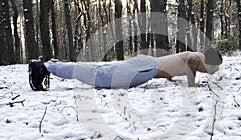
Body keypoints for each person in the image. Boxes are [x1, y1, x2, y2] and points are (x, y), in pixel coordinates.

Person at [28, 48, 222, 91]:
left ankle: (51, 65)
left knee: (100, 71)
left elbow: (171, 66)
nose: (213, 71)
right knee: (101, 77)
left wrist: (170, 78)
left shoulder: (194, 58)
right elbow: (192, 60)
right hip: (145, 68)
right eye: (214, 67)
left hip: (146, 67)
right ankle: (44, 67)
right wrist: (191, 83)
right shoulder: (198, 57)